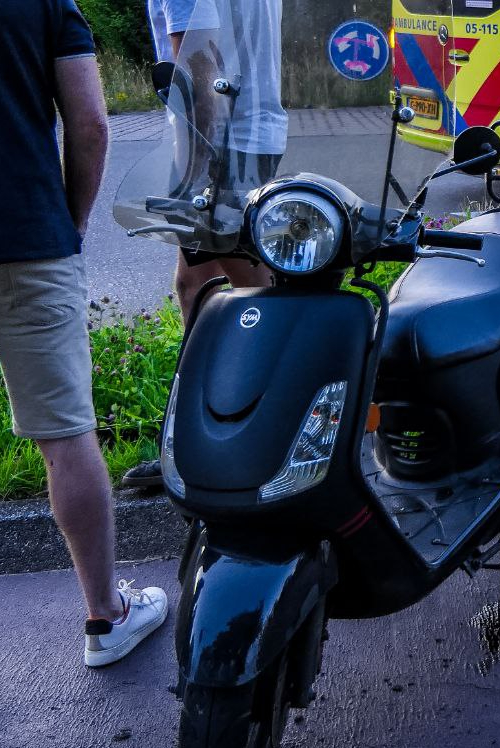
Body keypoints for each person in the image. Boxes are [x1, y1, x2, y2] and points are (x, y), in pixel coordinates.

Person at [0, 0, 168, 708]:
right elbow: (90, 124)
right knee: (66, 435)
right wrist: (68, 224)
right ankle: (105, 616)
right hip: (29, 238)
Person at [122, 0, 287, 488]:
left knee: (251, 287)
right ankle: (200, 436)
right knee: (198, 282)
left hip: (220, 139)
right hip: (251, 128)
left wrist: (197, 169)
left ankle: (271, 432)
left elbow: (198, 62)